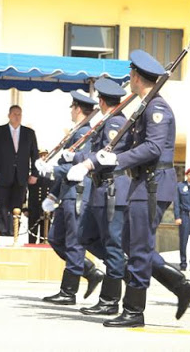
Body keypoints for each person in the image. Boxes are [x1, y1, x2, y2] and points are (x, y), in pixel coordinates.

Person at [69, 50, 190, 327]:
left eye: (131, 74)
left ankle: (134, 310)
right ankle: (178, 284)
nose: (129, 78)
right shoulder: (144, 107)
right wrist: (90, 164)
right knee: (130, 241)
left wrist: (118, 159)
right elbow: (122, 147)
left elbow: (152, 148)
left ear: (137, 76)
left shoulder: (156, 109)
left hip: (153, 184)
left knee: (138, 246)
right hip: (142, 183)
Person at [71, 78, 131, 316]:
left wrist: (84, 162)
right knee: (86, 236)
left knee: (113, 245)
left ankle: (110, 300)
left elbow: (108, 154)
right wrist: (73, 158)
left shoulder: (116, 123)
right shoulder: (106, 122)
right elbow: (95, 153)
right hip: (100, 189)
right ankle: (119, 267)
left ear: (102, 100)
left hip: (112, 189)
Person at [37, 91, 104, 305]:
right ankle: (89, 271)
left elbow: (76, 167)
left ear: (77, 108)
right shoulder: (77, 132)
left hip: (78, 193)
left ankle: (68, 292)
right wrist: (53, 194)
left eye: (72, 107)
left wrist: (51, 170)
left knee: (74, 242)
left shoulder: (85, 133)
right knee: (56, 239)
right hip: (67, 193)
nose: (71, 110)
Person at [0, 105, 39, 236]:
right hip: (2, 175)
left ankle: (14, 232)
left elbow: (35, 155)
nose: (17, 116)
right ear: (9, 115)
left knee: (17, 207)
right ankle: (4, 233)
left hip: (21, 176)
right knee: (3, 207)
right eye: (14, 114)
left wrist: (34, 174)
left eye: (19, 114)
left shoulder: (29, 133)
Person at [26, 149, 52, 244]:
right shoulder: (32, 173)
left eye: (45, 155)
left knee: (45, 233)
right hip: (34, 205)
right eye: (41, 156)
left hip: (47, 207)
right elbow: (26, 190)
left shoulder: (51, 173)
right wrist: (25, 207)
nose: (43, 158)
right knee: (32, 232)